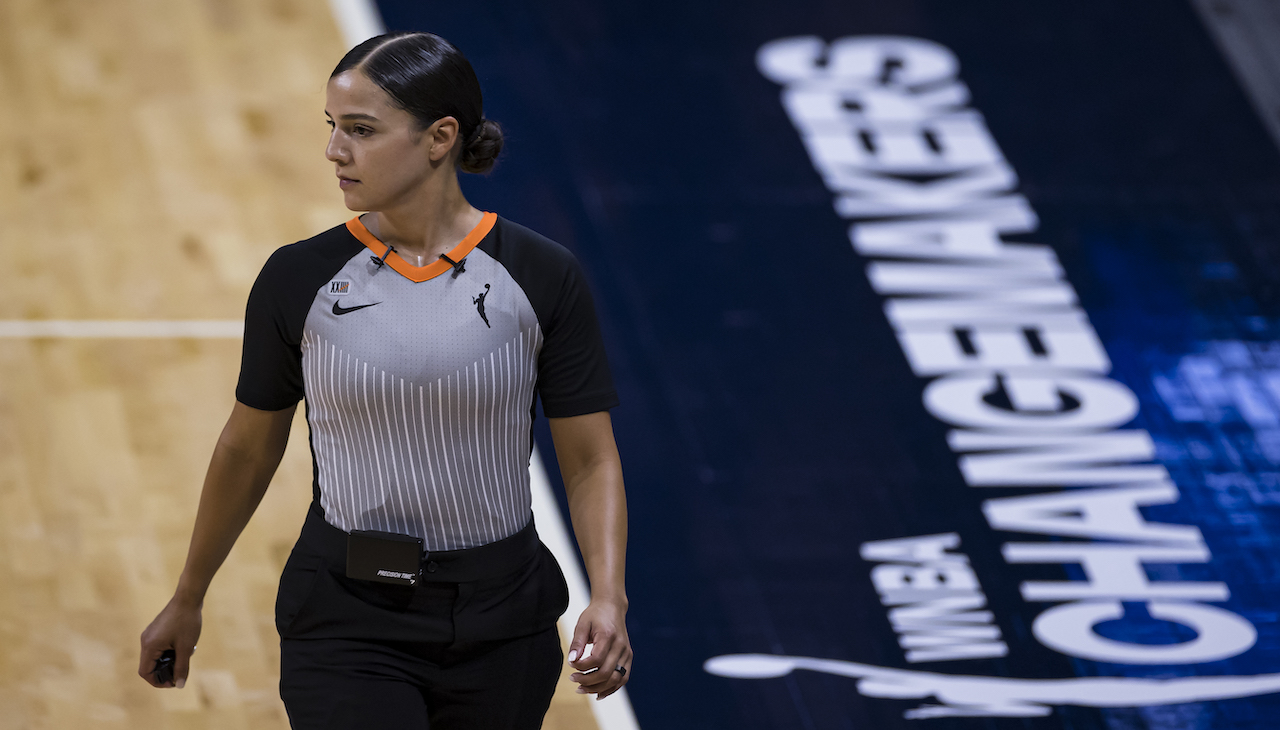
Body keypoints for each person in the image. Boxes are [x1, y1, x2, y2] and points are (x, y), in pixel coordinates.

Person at [138, 31, 631, 729]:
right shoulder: (296, 279)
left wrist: (608, 596)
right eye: (333, 128)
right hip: (346, 618)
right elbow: (248, 448)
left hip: (504, 622)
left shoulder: (543, 275)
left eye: (361, 131)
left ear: (440, 138)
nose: (335, 151)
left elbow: (590, 458)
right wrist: (188, 596)